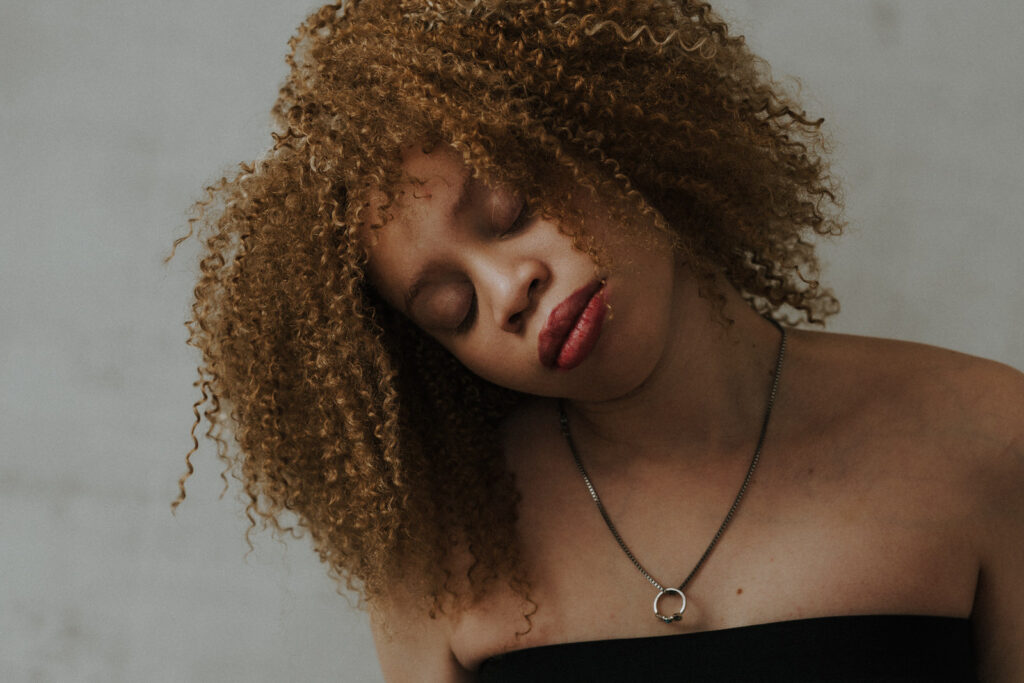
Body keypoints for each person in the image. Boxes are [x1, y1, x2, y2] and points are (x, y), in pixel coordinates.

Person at [174, 0, 1024, 680]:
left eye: (512, 211)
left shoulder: (987, 432)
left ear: (618, 130)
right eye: (449, 308)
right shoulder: (439, 554)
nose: (509, 291)